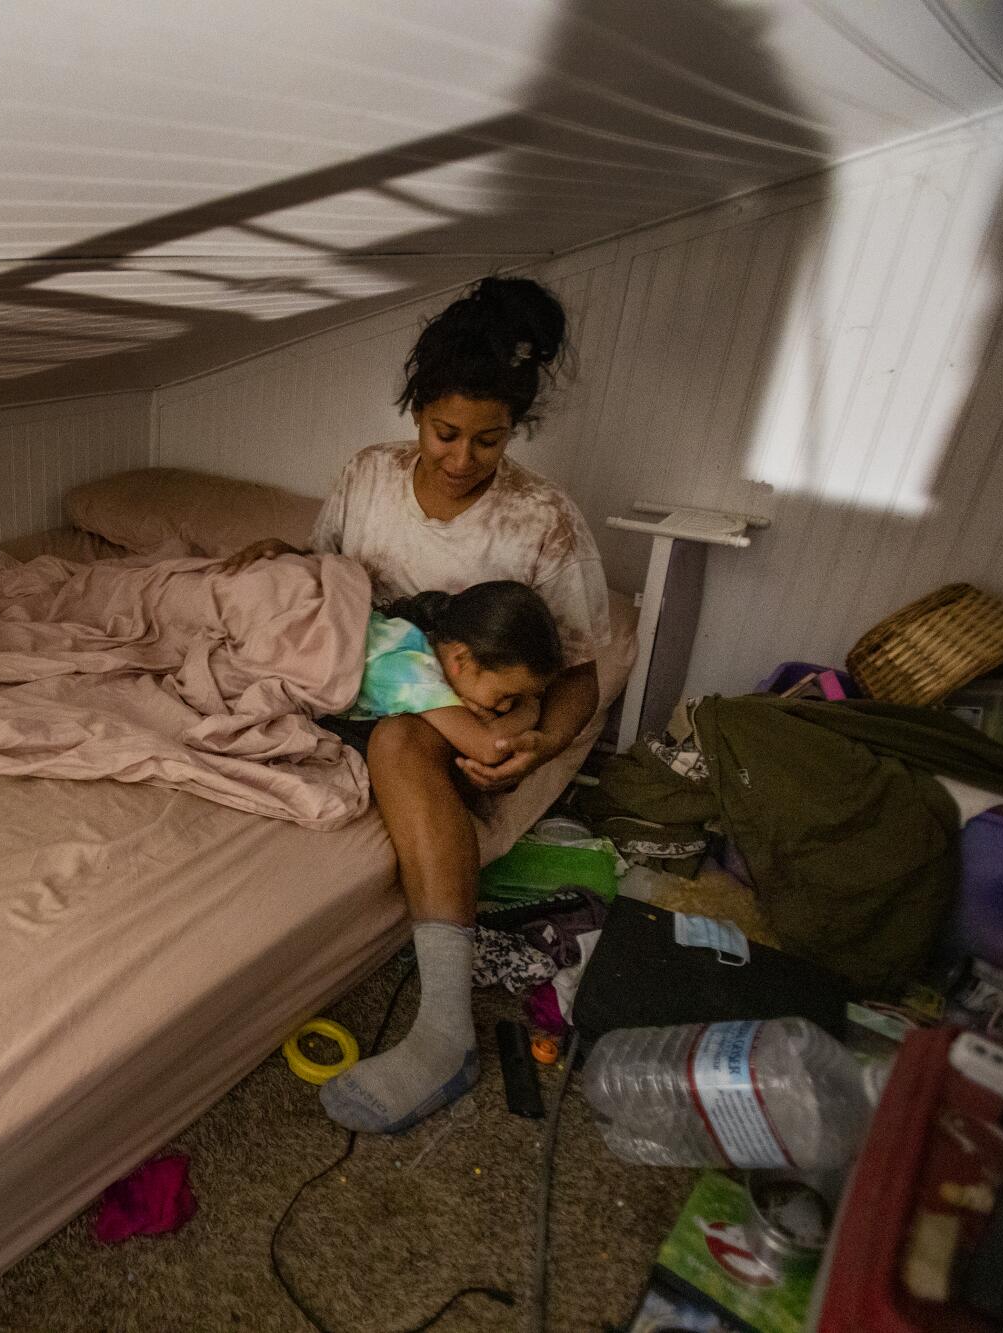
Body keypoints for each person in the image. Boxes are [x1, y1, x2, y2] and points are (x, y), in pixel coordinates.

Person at [224, 276, 610, 1133]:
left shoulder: (543, 521)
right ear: (415, 409)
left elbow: (583, 667)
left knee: (402, 739)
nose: (463, 459)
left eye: (489, 439)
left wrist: (541, 743)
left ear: (516, 428)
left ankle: (445, 1032)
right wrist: (280, 556)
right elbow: (331, 581)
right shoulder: (368, 475)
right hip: (365, 675)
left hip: (462, 709)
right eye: (445, 433)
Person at [344, 583, 564, 769]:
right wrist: (531, 708)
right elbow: (488, 748)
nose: (506, 708)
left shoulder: (419, 637)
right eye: (506, 695)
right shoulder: (410, 670)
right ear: (461, 658)